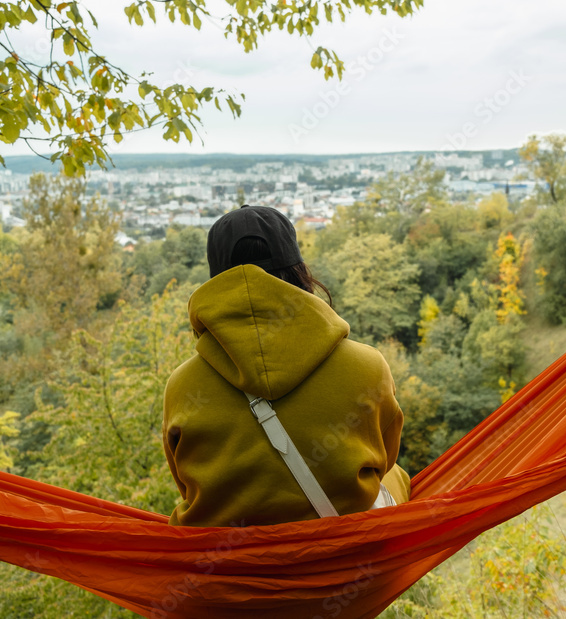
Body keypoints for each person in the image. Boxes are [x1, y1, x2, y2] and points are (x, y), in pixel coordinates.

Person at [162, 205, 410, 527]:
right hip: (345, 556)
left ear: (215, 284)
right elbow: (384, 458)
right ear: (299, 271)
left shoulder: (181, 386)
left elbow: (185, 484)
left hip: (225, 567)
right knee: (397, 476)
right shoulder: (368, 365)